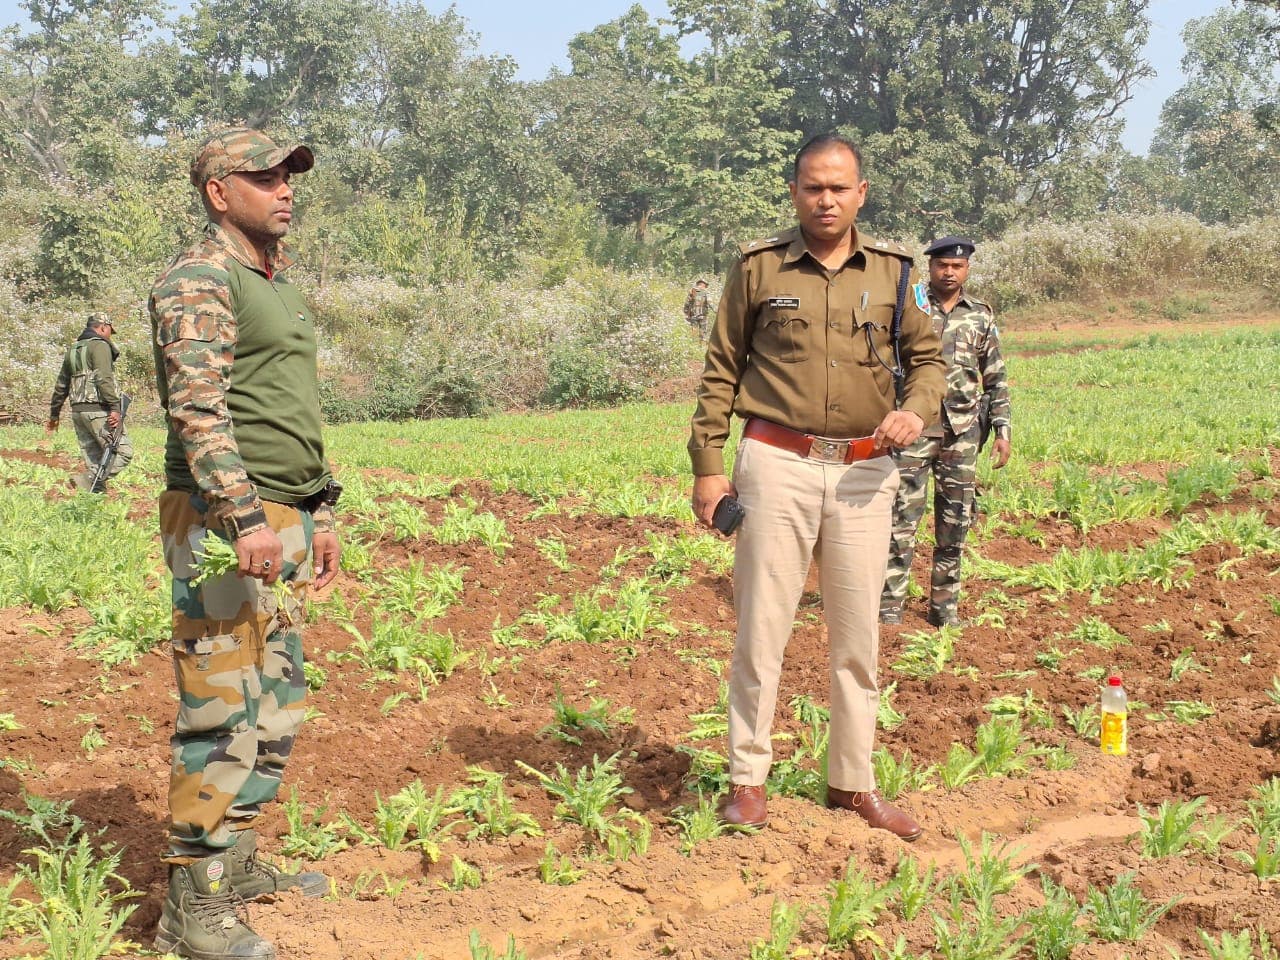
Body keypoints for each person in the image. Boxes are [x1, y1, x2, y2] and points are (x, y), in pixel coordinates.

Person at [688, 134, 945, 839]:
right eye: (812, 187)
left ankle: (851, 784)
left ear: (862, 193)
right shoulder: (759, 267)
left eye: (839, 187)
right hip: (778, 462)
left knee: (857, 638)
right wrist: (708, 467)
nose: (825, 199)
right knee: (761, 630)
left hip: (866, 469)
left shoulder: (898, 274)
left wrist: (913, 411)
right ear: (795, 192)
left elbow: (928, 362)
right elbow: (720, 370)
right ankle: (747, 782)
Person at [148, 126, 342, 960]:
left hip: (284, 515)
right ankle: (189, 910)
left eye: (289, 175)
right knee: (223, 707)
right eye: (263, 177)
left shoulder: (275, 282)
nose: (284, 189)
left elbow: (286, 406)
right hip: (230, 522)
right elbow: (199, 409)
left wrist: (319, 508)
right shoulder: (201, 277)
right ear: (218, 192)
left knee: (276, 702)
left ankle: (238, 861)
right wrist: (245, 516)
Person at [880, 236, 1011, 628]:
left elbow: (996, 378)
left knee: (954, 526)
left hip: (963, 433)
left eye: (957, 266)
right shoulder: (910, 308)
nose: (949, 272)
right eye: (942, 266)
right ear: (931, 267)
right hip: (913, 430)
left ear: (967, 269)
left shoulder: (980, 316)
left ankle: (943, 610)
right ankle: (889, 611)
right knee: (900, 522)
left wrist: (1003, 428)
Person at [46, 312, 133, 491]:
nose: (110, 335)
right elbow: (103, 378)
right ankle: (87, 480)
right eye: (110, 331)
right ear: (103, 327)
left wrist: (54, 415)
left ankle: (94, 503)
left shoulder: (74, 349)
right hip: (98, 411)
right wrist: (115, 407)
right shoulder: (99, 345)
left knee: (96, 459)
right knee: (122, 453)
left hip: (78, 413)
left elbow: (61, 384)